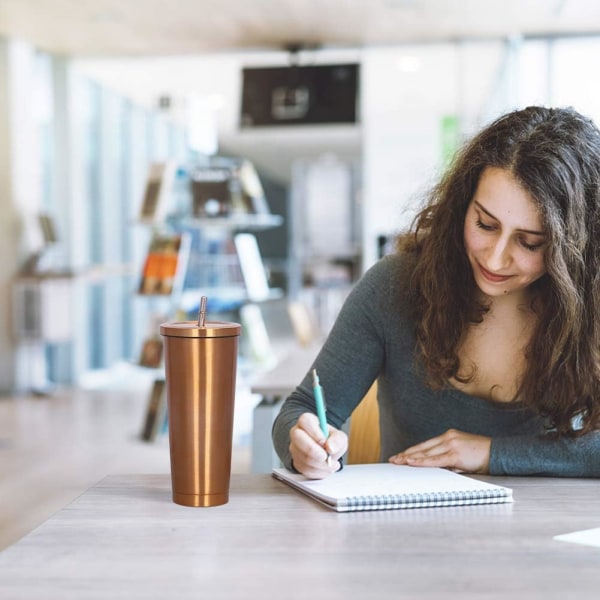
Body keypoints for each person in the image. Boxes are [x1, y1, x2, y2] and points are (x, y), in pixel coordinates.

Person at [272, 105, 600, 480]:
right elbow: (300, 410)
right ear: (462, 206)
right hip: (414, 530)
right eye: (485, 224)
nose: (495, 258)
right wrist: (305, 447)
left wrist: (488, 453)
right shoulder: (395, 288)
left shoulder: (591, 307)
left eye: (529, 243)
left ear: (576, 250)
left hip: (547, 534)